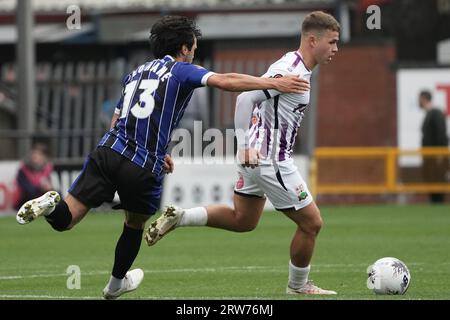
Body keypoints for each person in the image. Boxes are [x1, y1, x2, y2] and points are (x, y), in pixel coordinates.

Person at [15, 15, 309, 299]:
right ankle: (116, 285)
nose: (194, 55)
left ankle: (51, 204)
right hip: (141, 165)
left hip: (107, 152)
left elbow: (118, 122)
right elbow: (226, 81)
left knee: (65, 220)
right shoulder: (180, 70)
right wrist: (273, 83)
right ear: (183, 49)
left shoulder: (134, 73)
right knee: (134, 223)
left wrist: (160, 150)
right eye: (193, 49)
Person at [145, 11, 340, 295]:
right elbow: (246, 98)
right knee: (311, 223)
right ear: (313, 40)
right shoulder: (292, 70)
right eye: (332, 42)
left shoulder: (295, 66)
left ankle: (182, 217)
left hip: (257, 159)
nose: (336, 49)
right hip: (270, 159)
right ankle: (298, 286)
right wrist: (245, 145)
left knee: (243, 220)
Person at [418, 90, 449, 203]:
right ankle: (435, 203)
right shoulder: (429, 114)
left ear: (424, 99)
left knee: (438, 184)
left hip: (436, 157)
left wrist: (440, 154)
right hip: (430, 158)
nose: (419, 102)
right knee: (432, 184)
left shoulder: (436, 113)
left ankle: (438, 205)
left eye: (420, 99)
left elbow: (441, 135)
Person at [13, 142, 54, 210]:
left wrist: (50, 189)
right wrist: (42, 188)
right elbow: (28, 190)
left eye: (39, 154)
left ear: (44, 157)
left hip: (40, 201)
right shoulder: (23, 170)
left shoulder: (47, 169)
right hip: (24, 203)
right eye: (34, 154)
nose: (36, 156)